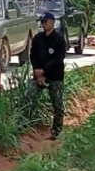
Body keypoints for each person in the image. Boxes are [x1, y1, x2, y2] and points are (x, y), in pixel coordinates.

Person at [29, 11, 68, 139]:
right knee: (29, 97)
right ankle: (28, 127)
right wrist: (37, 71)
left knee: (57, 104)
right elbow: (33, 56)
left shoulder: (59, 40)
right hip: (38, 75)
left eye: (45, 21)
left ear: (52, 22)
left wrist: (44, 71)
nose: (43, 24)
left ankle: (56, 131)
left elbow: (58, 59)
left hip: (55, 76)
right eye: (42, 22)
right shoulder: (38, 38)